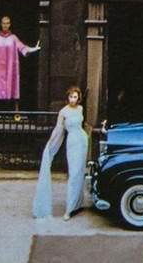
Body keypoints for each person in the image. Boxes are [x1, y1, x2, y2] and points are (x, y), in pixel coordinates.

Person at [33, 86, 89, 221]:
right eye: (71, 97)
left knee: (80, 172)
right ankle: (69, 209)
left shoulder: (80, 109)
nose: (73, 99)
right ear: (67, 98)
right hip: (72, 142)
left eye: (75, 97)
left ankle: (77, 204)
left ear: (78, 98)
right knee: (73, 172)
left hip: (82, 140)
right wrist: (50, 143)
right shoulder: (63, 112)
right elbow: (58, 130)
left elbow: (83, 125)